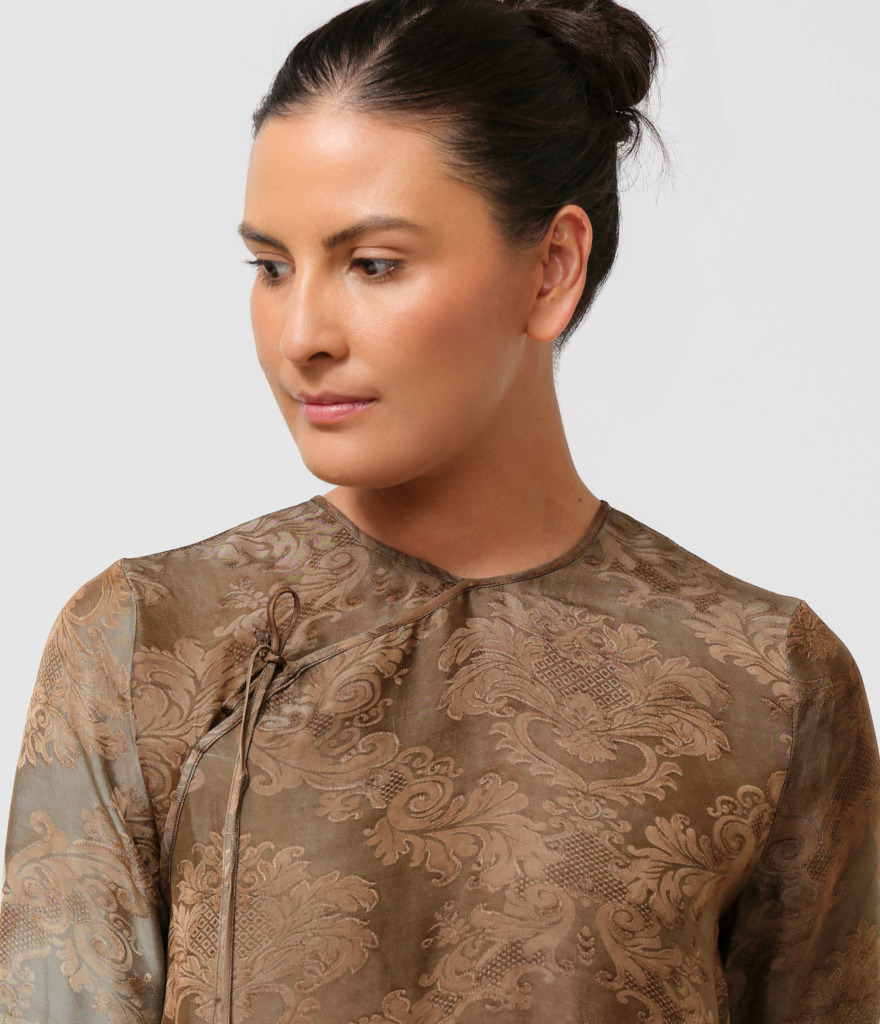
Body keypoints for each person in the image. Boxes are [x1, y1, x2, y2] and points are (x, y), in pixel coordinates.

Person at [1, 0, 878, 1020]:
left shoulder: (765, 681)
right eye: (272, 266)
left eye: (373, 264)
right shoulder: (147, 644)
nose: (301, 333)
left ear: (551, 267)